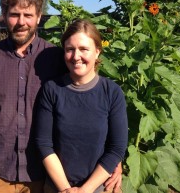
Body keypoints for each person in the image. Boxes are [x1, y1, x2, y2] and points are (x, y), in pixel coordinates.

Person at [0, 0, 123, 193]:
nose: (21, 22)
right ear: (4, 15)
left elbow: (89, 103)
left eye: (28, 15)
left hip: (42, 173)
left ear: (39, 17)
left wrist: (115, 161)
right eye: (14, 14)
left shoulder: (55, 56)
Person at [35, 19, 128, 193]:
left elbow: (116, 148)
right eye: (70, 49)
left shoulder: (112, 92)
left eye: (84, 49)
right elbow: (44, 144)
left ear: (97, 52)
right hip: (58, 187)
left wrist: (85, 190)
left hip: (100, 187)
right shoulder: (52, 90)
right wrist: (66, 189)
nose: (76, 56)